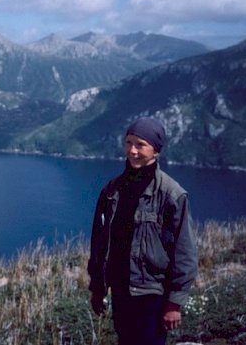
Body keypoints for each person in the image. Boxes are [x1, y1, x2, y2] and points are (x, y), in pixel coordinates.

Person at [88, 117, 198, 345]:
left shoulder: (172, 195)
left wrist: (174, 304)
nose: (132, 150)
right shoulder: (112, 190)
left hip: (152, 295)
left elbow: (184, 251)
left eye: (140, 144)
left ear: (156, 150)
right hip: (120, 289)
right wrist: (98, 287)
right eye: (128, 143)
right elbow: (99, 243)